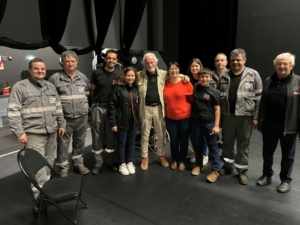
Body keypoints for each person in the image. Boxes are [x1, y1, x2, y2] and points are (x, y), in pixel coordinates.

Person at [7, 58, 66, 212]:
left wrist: (61, 123)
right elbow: (13, 112)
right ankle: (39, 199)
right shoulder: (20, 87)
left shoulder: (50, 86)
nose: (40, 71)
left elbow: (58, 106)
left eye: (43, 69)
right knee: (37, 168)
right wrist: (19, 132)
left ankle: (46, 191)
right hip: (34, 134)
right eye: (36, 69)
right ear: (30, 70)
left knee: (48, 163)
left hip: (51, 132)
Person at [217, 48, 262, 185]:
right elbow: (218, 98)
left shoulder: (253, 75)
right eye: (233, 60)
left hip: (245, 117)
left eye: (238, 59)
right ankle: (228, 166)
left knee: (243, 144)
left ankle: (242, 171)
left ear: (244, 60)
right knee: (227, 143)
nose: (235, 62)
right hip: (227, 117)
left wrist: (255, 117)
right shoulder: (223, 76)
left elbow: (259, 98)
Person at [138, 53, 190, 171]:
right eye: (147, 63)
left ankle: (160, 156)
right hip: (145, 108)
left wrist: (184, 76)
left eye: (152, 62)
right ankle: (144, 157)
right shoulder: (139, 75)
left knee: (161, 134)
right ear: (144, 64)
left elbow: (174, 74)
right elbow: (128, 78)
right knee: (145, 134)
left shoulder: (162, 74)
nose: (150, 64)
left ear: (156, 62)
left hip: (159, 108)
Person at [257, 53, 299, 193]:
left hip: (289, 126)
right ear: (275, 65)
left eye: (285, 64)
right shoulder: (268, 81)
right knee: (267, 152)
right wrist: (261, 121)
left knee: (288, 155)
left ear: (291, 65)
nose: (282, 66)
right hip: (269, 125)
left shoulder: (298, 82)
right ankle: (266, 175)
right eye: (279, 64)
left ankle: (285, 180)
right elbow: (262, 104)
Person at [48, 50, 90, 177]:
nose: (70, 63)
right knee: (63, 144)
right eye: (67, 61)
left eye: (72, 61)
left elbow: (87, 94)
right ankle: (63, 169)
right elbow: (51, 99)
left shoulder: (83, 77)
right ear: (62, 63)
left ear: (76, 62)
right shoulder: (54, 79)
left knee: (80, 142)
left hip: (82, 116)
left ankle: (78, 164)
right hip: (64, 119)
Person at [89, 49, 120, 174]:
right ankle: (98, 163)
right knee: (97, 136)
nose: (111, 60)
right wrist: (94, 104)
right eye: (109, 58)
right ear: (105, 59)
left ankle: (110, 162)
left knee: (111, 136)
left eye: (114, 58)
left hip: (112, 109)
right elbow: (92, 91)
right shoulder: (96, 73)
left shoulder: (119, 74)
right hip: (97, 107)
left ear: (116, 61)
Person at [191, 68, 221, 182]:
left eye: (207, 77)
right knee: (198, 145)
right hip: (196, 122)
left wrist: (216, 125)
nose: (204, 79)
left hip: (209, 123)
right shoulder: (195, 88)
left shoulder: (214, 92)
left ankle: (216, 170)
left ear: (210, 78)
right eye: (202, 77)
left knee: (212, 146)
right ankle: (198, 165)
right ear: (199, 78)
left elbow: (217, 110)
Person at [109, 67, 140, 175]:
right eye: (128, 75)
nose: (130, 78)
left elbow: (138, 105)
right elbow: (112, 106)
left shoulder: (136, 89)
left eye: (132, 76)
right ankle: (122, 163)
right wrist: (113, 123)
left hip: (133, 121)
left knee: (131, 143)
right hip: (121, 121)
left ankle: (129, 162)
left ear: (135, 77)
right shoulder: (118, 88)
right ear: (124, 76)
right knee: (121, 143)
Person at [163, 62, 193, 171]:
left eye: (176, 69)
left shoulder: (186, 83)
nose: (174, 71)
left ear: (179, 70)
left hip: (185, 117)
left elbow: (191, 99)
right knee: (174, 140)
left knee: (184, 140)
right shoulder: (165, 83)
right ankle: (174, 160)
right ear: (168, 71)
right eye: (172, 69)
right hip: (170, 118)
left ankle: (182, 161)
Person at [186, 58, 209, 166]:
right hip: (190, 112)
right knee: (193, 135)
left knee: (203, 135)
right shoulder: (187, 80)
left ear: (200, 67)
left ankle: (204, 154)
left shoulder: (204, 79)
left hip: (203, 112)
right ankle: (197, 153)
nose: (195, 68)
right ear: (190, 68)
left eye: (197, 66)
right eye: (192, 66)